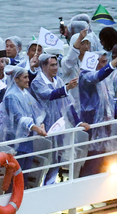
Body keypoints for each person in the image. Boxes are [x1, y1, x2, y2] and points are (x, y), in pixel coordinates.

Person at [75, 48, 117, 176]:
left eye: (107, 61)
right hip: (92, 125)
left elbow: (108, 100)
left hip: (105, 126)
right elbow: (98, 76)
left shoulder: (105, 80)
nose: (105, 64)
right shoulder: (86, 76)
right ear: (94, 62)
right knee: (92, 159)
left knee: (104, 160)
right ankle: (87, 185)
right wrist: (116, 61)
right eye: (103, 62)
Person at [31, 54, 80, 185]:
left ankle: (50, 184)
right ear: (43, 66)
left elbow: (67, 104)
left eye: (56, 64)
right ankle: (40, 186)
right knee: (45, 158)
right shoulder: (37, 82)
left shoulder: (57, 80)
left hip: (59, 125)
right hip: (44, 127)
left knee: (58, 157)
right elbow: (48, 95)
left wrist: (78, 122)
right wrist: (67, 87)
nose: (56, 68)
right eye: (52, 65)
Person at [1, 67, 47, 183]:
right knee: (15, 178)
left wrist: (40, 124)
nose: (28, 80)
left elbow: (35, 112)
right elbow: (18, 118)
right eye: (25, 77)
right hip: (16, 143)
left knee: (23, 177)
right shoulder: (11, 96)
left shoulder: (25, 93)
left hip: (27, 142)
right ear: (16, 79)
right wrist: (36, 128)